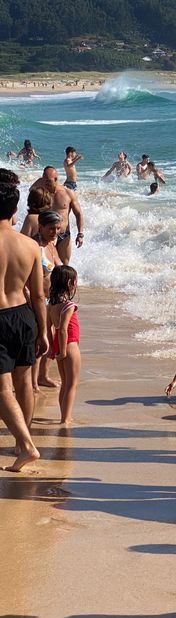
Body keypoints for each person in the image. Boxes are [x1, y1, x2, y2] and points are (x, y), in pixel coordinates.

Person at [0, 180, 45, 471]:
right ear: (15, 210)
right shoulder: (30, 245)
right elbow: (39, 294)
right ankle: (21, 442)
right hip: (24, 316)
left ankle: (26, 445)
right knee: (25, 382)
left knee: (2, 389)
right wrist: (45, 330)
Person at [32, 211, 63, 391]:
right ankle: (34, 381)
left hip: (53, 301)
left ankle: (43, 376)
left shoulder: (53, 244)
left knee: (50, 340)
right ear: (41, 227)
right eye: (51, 228)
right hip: (40, 300)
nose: (55, 232)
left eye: (58, 228)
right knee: (39, 340)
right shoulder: (36, 246)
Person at [47, 265, 81, 425]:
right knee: (72, 383)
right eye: (75, 281)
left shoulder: (51, 305)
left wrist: (52, 349)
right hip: (70, 345)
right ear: (69, 283)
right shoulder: (69, 305)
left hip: (57, 345)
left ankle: (64, 415)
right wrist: (64, 351)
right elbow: (62, 330)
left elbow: (48, 328)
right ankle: (66, 418)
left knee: (65, 383)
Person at [47, 167, 84, 265]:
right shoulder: (42, 193)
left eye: (48, 180)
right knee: (47, 266)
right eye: (43, 179)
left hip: (64, 235)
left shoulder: (68, 193)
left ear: (55, 179)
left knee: (64, 266)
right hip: (46, 235)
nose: (45, 182)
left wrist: (80, 234)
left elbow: (78, 214)